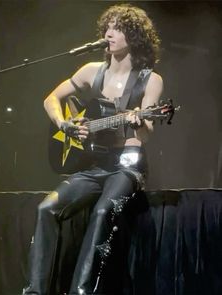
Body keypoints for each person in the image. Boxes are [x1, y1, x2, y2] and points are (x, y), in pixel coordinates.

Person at [23, 3, 163, 295]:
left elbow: (147, 134)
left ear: (134, 36)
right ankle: (34, 291)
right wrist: (64, 124)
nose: (109, 33)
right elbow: (51, 98)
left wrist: (138, 122)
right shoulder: (91, 71)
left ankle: (81, 291)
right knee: (46, 208)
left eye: (118, 28)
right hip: (92, 164)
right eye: (107, 27)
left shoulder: (150, 80)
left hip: (127, 166)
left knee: (101, 213)